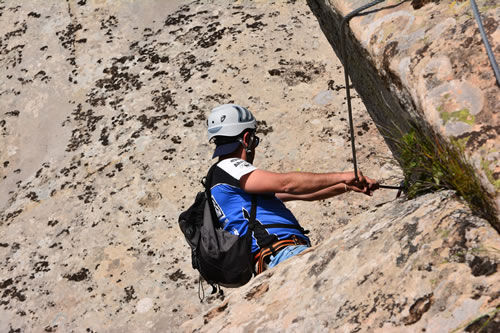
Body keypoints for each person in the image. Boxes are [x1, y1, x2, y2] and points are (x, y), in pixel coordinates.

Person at [206, 104, 379, 274]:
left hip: (273, 258)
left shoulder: (228, 183)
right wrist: (343, 176)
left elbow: (303, 194)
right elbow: (286, 184)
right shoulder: (229, 167)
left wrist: (346, 186)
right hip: (282, 252)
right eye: (255, 140)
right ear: (246, 139)